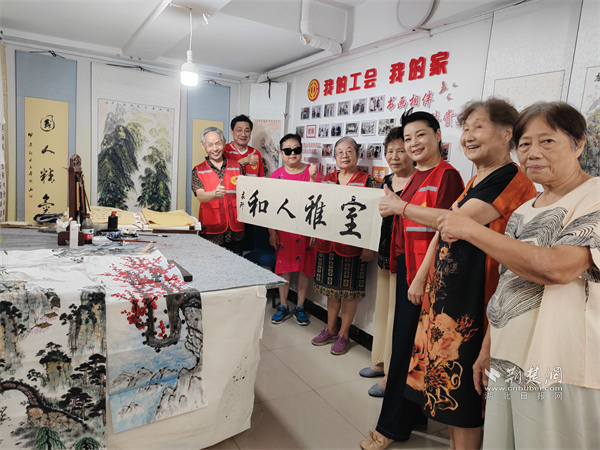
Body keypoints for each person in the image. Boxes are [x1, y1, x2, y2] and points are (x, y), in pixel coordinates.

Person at [365, 99, 538, 450]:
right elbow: (444, 232)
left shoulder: (509, 178)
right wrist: (422, 278)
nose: (468, 136)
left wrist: (400, 207)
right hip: (447, 300)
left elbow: (452, 220)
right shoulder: (475, 179)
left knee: (465, 398)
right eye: (466, 128)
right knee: (448, 392)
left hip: (476, 300)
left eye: (478, 127)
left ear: (506, 133)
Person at [437, 101, 600, 449]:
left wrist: (469, 229)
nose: (533, 153)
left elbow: (558, 268)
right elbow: (507, 285)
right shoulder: (524, 210)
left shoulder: (594, 196)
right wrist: (487, 348)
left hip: (560, 365)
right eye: (524, 144)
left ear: (579, 144)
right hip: (508, 357)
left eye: (547, 141)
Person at [360, 110, 464, 450]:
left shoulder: (447, 175)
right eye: (408, 138)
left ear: (437, 135)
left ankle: (389, 427)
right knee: (410, 346)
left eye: (421, 135)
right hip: (410, 268)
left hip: (425, 274)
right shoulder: (418, 175)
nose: (413, 143)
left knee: (406, 348)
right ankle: (414, 416)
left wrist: (420, 279)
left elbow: (445, 229)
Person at [359, 127, 416, 397]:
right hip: (384, 254)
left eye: (400, 151)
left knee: (398, 316)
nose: (394, 156)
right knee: (383, 310)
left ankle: (393, 374)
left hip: (406, 258)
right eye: (389, 151)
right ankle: (381, 360)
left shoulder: (417, 182)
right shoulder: (386, 181)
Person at [311, 136, 376, 355]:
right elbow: (320, 208)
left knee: (349, 293)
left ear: (358, 155)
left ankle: (344, 334)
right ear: (334, 157)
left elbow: (372, 218)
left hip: (353, 246)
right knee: (332, 291)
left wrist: (368, 247)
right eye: (339, 152)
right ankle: (330, 329)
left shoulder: (367, 181)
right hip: (328, 244)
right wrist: (314, 231)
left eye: (349, 151)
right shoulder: (327, 179)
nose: (344, 155)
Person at [269, 133, 320, 325]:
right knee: (283, 268)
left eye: (296, 149)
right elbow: (270, 208)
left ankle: (300, 306)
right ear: (281, 153)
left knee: (304, 269)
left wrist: (315, 230)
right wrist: (272, 232)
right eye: (288, 150)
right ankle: (283, 305)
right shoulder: (275, 176)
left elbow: (318, 203)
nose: (292, 153)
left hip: (306, 229)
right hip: (284, 230)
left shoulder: (312, 173)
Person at [192, 127, 244, 254]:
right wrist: (214, 194)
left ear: (224, 142)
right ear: (203, 146)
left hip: (236, 231)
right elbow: (200, 196)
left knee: (238, 264)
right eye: (210, 145)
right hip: (211, 231)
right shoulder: (198, 170)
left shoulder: (237, 167)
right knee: (212, 264)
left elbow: (246, 194)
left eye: (218, 143)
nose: (215, 149)